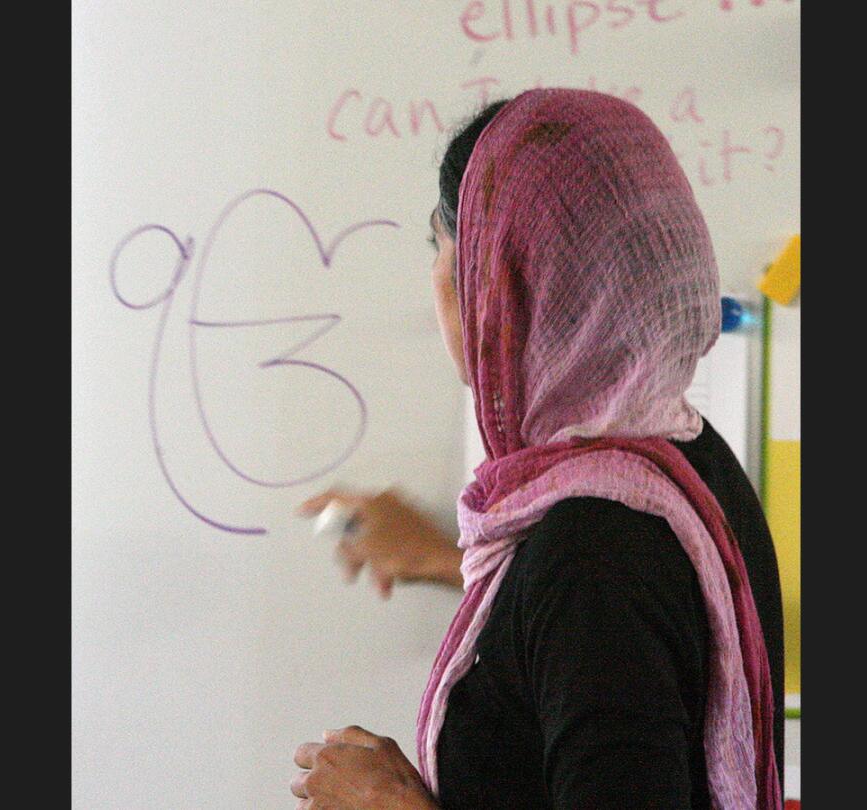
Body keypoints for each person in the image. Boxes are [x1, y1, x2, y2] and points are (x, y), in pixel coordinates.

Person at [289, 88, 784, 809]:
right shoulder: (681, 465)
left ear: (503, 286)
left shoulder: (590, 553)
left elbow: (597, 604)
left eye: (444, 246)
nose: (440, 282)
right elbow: (607, 645)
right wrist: (438, 558)